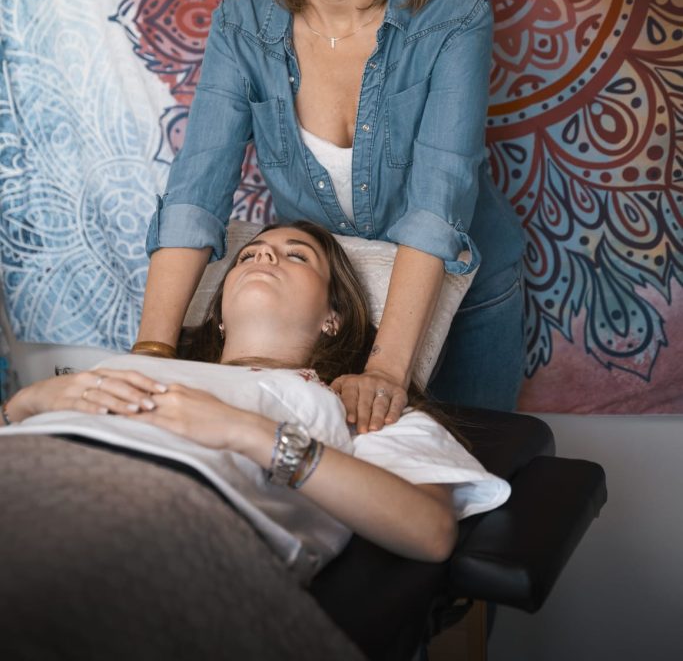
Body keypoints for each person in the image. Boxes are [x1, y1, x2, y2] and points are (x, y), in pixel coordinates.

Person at [136, 0, 527, 424]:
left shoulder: (453, 17)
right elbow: (194, 196)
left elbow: (436, 203)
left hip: (461, 288)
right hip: (332, 305)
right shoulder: (242, 23)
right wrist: (152, 353)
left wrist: (385, 369)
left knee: (471, 474)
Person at [0, 222, 509, 661]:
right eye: (249, 254)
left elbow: (429, 530)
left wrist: (245, 432)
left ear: (333, 316)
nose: (265, 254)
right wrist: (29, 403)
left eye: (296, 255)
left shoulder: (359, 408)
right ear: (218, 313)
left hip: (145, 521)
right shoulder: (139, 364)